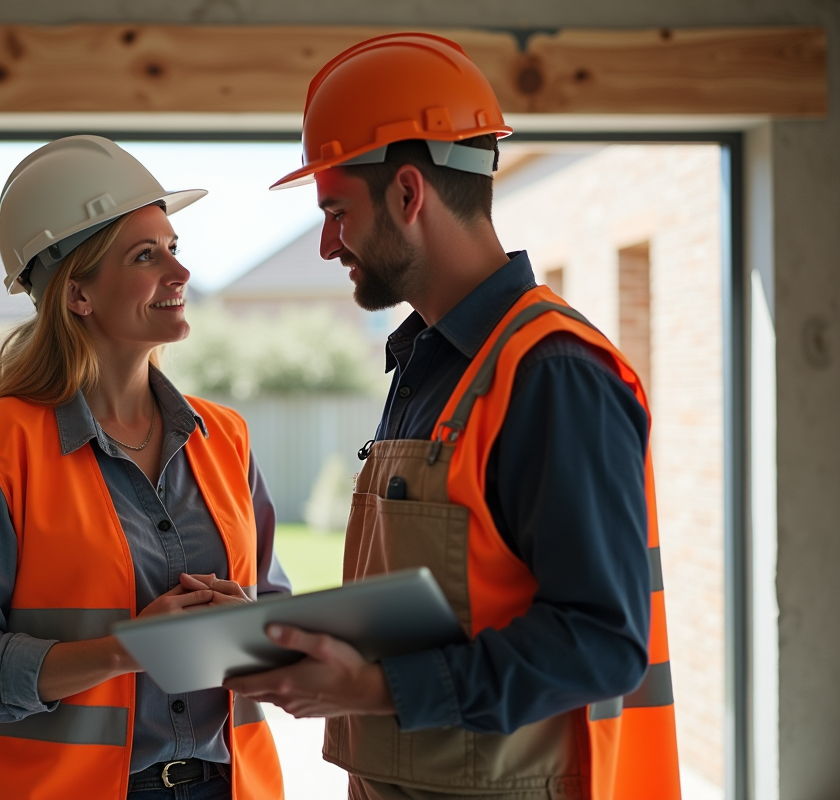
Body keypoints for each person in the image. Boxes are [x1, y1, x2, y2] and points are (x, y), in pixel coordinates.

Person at [225, 33, 681, 800]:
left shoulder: (551, 373)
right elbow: (451, 600)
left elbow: (601, 645)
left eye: (336, 210)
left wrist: (372, 688)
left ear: (409, 194)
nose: (329, 242)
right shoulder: (431, 363)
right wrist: (274, 634)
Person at [0, 135, 290, 800]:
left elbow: (275, 618)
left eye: (174, 248)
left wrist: (249, 630)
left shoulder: (224, 437)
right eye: (146, 256)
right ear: (78, 294)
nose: (180, 274)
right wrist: (129, 648)